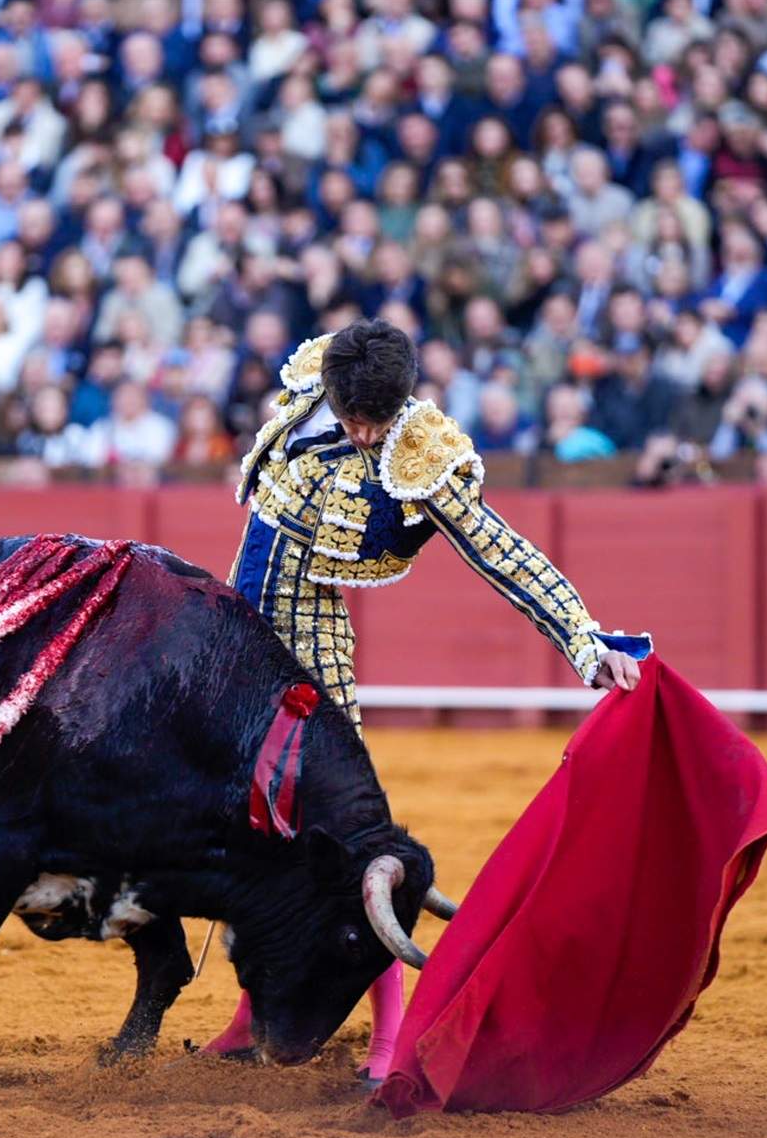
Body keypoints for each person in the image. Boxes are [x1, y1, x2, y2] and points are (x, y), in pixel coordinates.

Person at [205, 319, 649, 1085]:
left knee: (345, 843)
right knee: (239, 824)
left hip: (309, 652)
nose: (364, 431)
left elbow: (502, 552)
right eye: (354, 415)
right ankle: (251, 1015)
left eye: (376, 418)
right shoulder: (316, 380)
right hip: (239, 633)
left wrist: (583, 640)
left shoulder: (422, 456)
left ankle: (391, 1034)